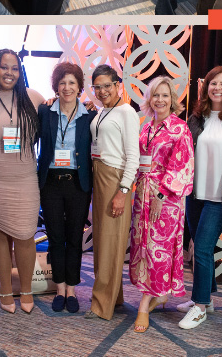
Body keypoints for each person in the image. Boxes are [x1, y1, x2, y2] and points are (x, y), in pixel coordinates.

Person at [176, 66, 222, 330]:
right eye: (213, 83)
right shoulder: (196, 118)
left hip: (221, 196)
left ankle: (200, 306)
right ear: (206, 88)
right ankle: (207, 297)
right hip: (195, 194)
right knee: (198, 243)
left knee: (204, 248)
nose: (218, 88)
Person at [0, 49, 45, 314]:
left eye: (14, 68)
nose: (9, 73)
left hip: (26, 178)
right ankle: (5, 289)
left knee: (26, 235)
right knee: (0, 235)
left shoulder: (34, 98)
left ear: (20, 70)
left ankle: (25, 289)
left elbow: (59, 117)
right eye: (4, 67)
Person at [129, 76, 194, 333]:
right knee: (143, 246)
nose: (160, 100)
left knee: (159, 248)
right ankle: (158, 293)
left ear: (172, 99)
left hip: (165, 199)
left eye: (165, 95)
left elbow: (182, 168)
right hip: (142, 195)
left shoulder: (180, 129)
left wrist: (160, 196)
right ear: (149, 99)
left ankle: (144, 304)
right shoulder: (146, 127)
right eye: (156, 95)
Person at [36, 62, 94, 313]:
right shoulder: (45, 111)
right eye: (62, 83)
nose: (67, 87)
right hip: (50, 183)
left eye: (72, 83)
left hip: (78, 183)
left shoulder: (90, 115)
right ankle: (59, 288)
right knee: (55, 237)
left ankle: (72, 288)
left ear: (79, 86)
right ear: (56, 86)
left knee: (73, 237)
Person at [85, 64, 140, 321]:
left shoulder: (126, 111)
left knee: (109, 243)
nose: (102, 90)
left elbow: (133, 157)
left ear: (117, 84)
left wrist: (123, 191)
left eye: (107, 85)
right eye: (97, 86)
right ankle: (113, 296)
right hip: (99, 176)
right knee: (104, 241)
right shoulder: (104, 112)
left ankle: (100, 304)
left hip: (114, 179)